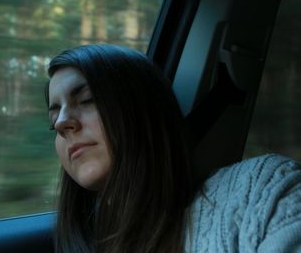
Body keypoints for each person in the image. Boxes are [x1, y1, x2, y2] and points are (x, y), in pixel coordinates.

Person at [45, 44, 301, 253]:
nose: (61, 123)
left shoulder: (262, 193)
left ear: (145, 111)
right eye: (52, 118)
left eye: (88, 99)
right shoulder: (81, 241)